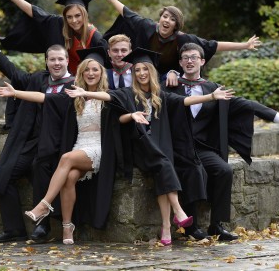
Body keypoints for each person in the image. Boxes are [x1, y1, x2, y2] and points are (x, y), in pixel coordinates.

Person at [65, 47, 234, 245]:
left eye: (145, 69)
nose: (142, 73)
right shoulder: (128, 93)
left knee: (163, 165)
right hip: (137, 148)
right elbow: (109, 97)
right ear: (134, 73)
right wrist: (86, 92)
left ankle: (166, 228)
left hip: (158, 149)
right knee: (163, 162)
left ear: (151, 72)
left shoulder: (161, 95)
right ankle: (178, 212)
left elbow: (185, 100)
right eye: (137, 70)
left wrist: (210, 97)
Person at [163, 43, 279, 241]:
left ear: (202, 61)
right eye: (185, 57)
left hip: (202, 147)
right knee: (195, 171)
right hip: (176, 146)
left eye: (194, 57)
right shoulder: (170, 84)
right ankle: (191, 227)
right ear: (180, 62)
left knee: (224, 170)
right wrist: (168, 73)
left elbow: (243, 104)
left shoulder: (212, 88)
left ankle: (216, 225)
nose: (189, 61)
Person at [0, 47, 121, 245]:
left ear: (102, 72)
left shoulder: (110, 95)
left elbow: (114, 101)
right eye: (87, 70)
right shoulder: (74, 96)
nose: (90, 73)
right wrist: (16, 93)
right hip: (80, 145)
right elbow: (45, 98)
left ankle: (44, 205)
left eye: (95, 70)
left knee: (65, 158)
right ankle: (67, 227)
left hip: (97, 147)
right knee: (69, 177)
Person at [0, 25, 74, 243]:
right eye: (52, 60)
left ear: (67, 60)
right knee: (2, 175)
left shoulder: (75, 85)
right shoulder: (38, 80)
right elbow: (15, 74)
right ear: (46, 61)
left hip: (58, 145)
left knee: (39, 169)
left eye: (60, 59)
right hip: (31, 142)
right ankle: (14, 229)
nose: (56, 63)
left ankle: (42, 227)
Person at [104, 0, 261, 85]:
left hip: (167, 77)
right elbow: (128, 13)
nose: (167, 20)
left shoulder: (183, 38)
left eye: (172, 19)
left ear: (176, 25)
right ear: (160, 18)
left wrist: (244, 45)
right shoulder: (147, 27)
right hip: (143, 72)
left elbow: (211, 45)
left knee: (172, 82)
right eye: (165, 16)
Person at [0, 0, 107, 74]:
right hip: (60, 80)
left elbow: (105, 64)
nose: (73, 20)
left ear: (85, 15)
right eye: (69, 17)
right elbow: (34, 12)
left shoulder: (94, 36)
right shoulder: (58, 24)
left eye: (78, 16)